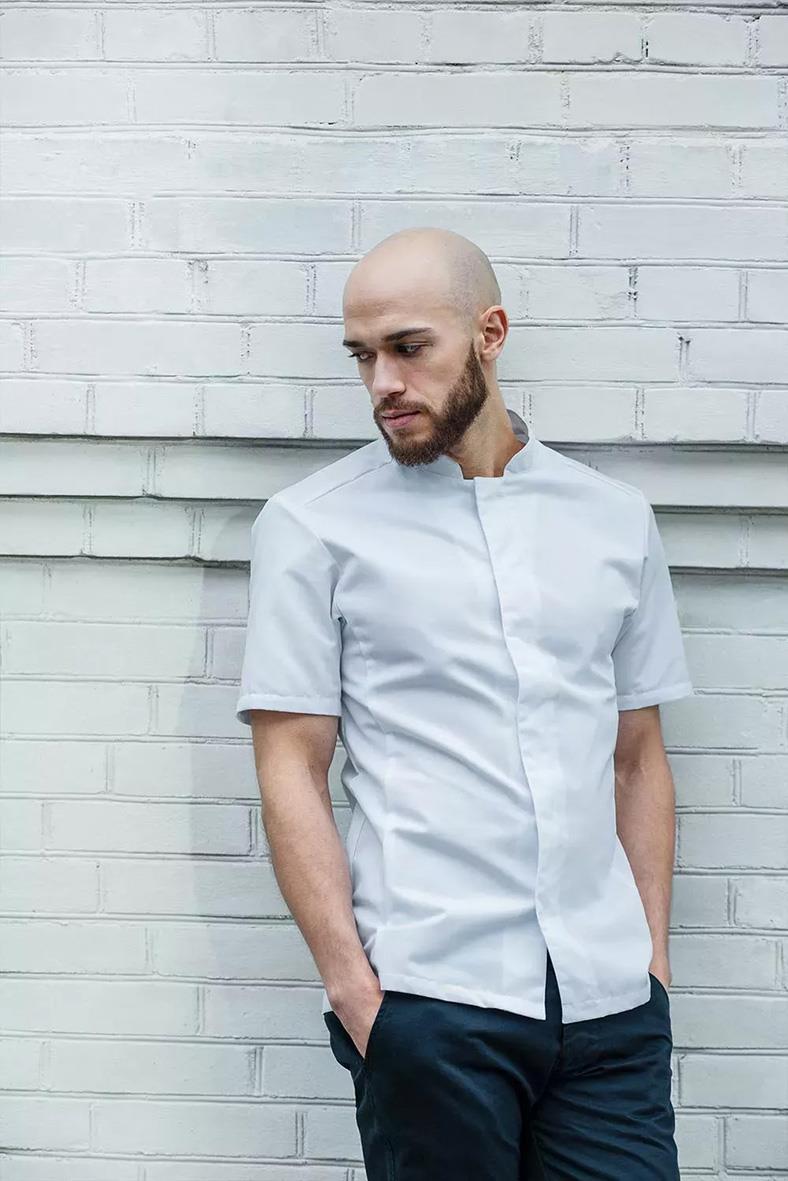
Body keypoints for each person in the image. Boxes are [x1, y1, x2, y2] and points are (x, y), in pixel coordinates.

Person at [235, 226, 694, 1179]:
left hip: (609, 1006)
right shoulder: (312, 526)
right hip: (430, 1006)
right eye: (363, 356)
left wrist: (650, 962)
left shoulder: (613, 519)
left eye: (409, 347)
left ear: (490, 333)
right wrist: (358, 997)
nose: (383, 383)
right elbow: (290, 766)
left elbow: (637, 756)